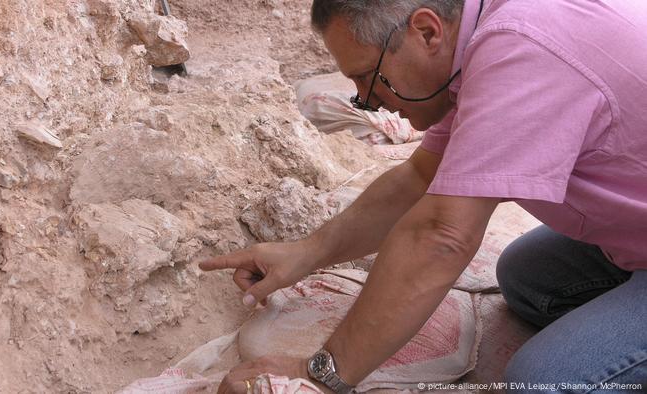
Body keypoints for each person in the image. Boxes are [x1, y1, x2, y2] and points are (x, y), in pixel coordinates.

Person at [199, 0, 647, 393]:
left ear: (427, 31)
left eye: (367, 77)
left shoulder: (523, 49)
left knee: (546, 379)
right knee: (527, 280)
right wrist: (308, 252)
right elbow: (418, 177)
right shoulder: (486, 38)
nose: (366, 101)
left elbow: (442, 235)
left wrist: (323, 374)